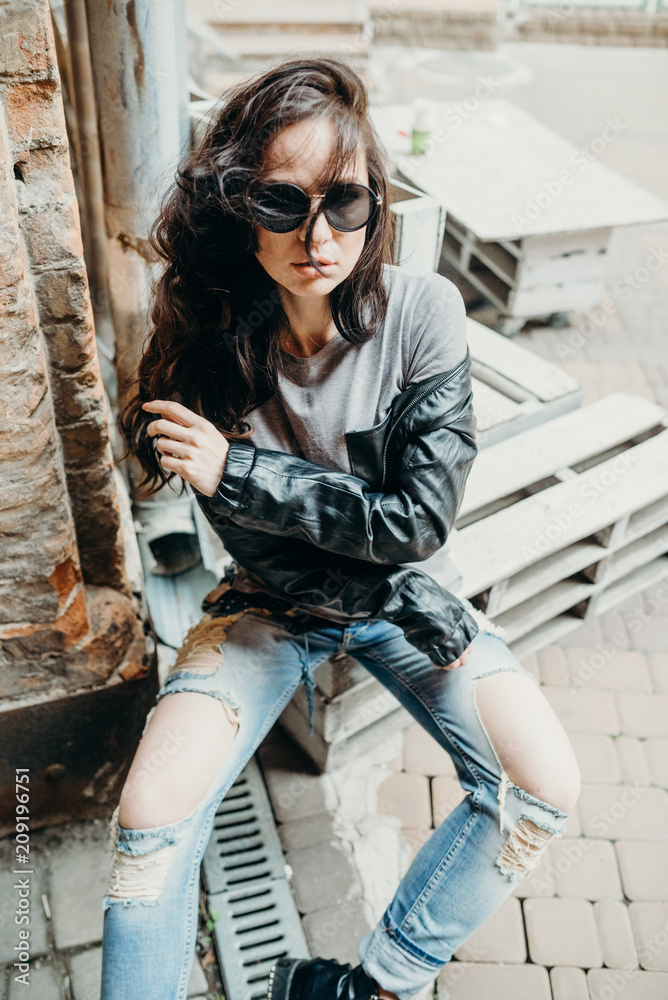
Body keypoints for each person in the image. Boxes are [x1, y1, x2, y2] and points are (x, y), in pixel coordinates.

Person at [103, 57, 581, 1000]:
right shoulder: (207, 333)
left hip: (403, 599)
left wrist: (244, 470)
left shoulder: (423, 313)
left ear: (375, 203)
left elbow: (418, 521)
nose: (318, 236)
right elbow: (261, 549)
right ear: (242, 209)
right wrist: (283, 514)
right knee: (149, 825)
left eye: (345, 203)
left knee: (543, 786)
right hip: (273, 601)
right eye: (282, 204)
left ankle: (368, 985)